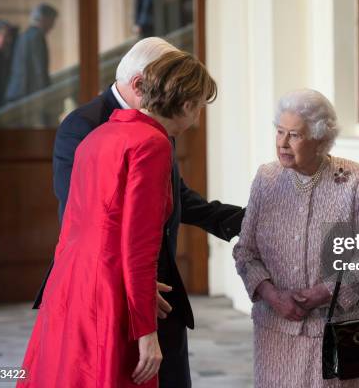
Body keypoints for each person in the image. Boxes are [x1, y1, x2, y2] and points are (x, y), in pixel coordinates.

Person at [33, 37, 245, 388]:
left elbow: (172, 198)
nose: (195, 122)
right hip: (116, 289)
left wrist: (244, 220)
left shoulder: (125, 128)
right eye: (198, 108)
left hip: (111, 284)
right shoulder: (127, 134)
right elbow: (114, 231)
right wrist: (141, 312)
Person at [233, 89, 359, 388]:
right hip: (275, 330)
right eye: (279, 132)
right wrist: (273, 296)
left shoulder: (355, 180)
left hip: (336, 331)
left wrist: (323, 292)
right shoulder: (267, 179)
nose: (282, 143)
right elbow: (245, 251)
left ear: (319, 138)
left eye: (294, 135)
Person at [6, 3, 57, 101]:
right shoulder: (37, 37)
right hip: (25, 93)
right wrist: (47, 94)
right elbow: (39, 68)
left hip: (17, 91)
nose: (52, 26)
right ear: (44, 19)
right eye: (52, 21)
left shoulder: (25, 35)